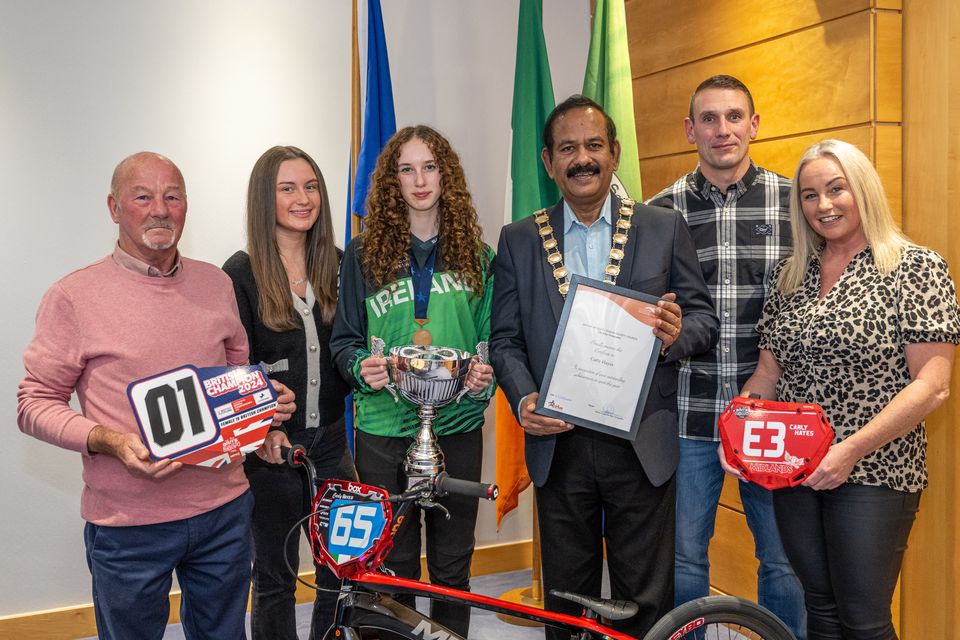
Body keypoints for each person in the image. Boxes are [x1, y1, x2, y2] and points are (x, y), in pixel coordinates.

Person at [16, 151, 294, 639]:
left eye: (172, 196)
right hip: (129, 525)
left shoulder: (217, 283)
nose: (160, 209)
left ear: (186, 205)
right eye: (142, 196)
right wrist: (109, 440)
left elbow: (235, 374)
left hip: (224, 511)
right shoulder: (73, 296)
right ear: (114, 207)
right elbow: (33, 403)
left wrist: (263, 408)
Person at [489, 95, 719, 639]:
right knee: (565, 600)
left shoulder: (664, 228)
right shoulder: (519, 239)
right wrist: (524, 400)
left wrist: (672, 336)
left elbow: (703, 320)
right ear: (548, 162)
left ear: (614, 154)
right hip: (558, 443)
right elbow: (504, 341)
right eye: (567, 148)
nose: (582, 158)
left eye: (594, 145)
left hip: (641, 446)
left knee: (646, 598)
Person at [730, 139, 959, 639]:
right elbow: (768, 375)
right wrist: (739, 429)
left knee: (864, 620)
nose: (823, 205)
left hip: (875, 468)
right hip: (796, 469)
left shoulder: (914, 267)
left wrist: (849, 451)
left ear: (864, 190)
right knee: (821, 609)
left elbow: (933, 385)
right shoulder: (790, 275)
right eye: (809, 195)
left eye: (837, 189)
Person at [646, 74, 805, 638]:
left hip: (772, 418)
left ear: (754, 125)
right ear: (690, 130)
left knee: (781, 559)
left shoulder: (795, 203)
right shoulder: (658, 212)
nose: (723, 130)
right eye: (709, 119)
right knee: (686, 557)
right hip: (688, 412)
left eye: (734, 117)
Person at [330, 125, 495, 637]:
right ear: (391, 182)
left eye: (430, 167)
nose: (419, 180)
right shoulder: (361, 256)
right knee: (391, 565)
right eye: (407, 169)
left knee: (451, 567)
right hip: (382, 426)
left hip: (458, 426)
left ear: (446, 175)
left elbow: (492, 340)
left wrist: (482, 379)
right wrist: (363, 368)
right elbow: (344, 343)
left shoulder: (479, 255)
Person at [223, 146, 354, 639]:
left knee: (337, 573)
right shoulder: (238, 274)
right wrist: (263, 422)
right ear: (265, 198)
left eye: (311, 186)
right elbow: (230, 365)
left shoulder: (340, 266)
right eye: (288, 188)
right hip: (272, 451)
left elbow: (353, 348)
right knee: (275, 578)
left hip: (335, 444)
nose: (303, 198)